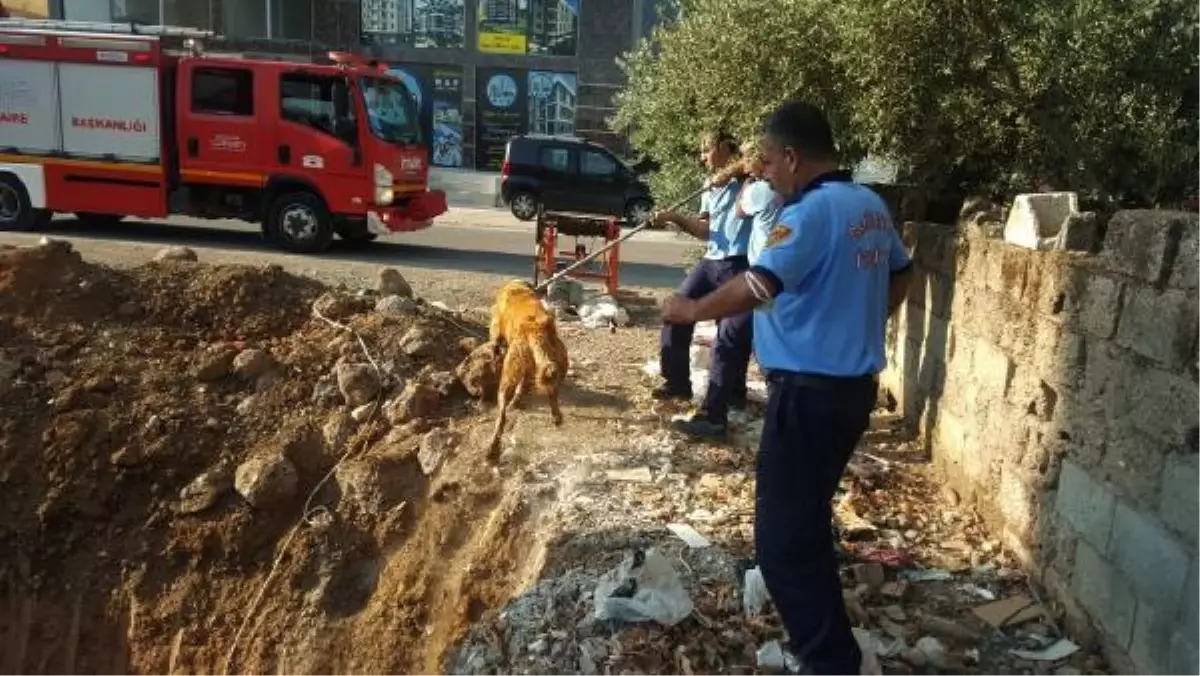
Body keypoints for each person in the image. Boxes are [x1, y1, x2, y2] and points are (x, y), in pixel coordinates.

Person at [661, 100, 914, 676]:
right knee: (806, 522)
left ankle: (830, 662)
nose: (765, 173)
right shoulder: (869, 206)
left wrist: (692, 308)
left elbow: (757, 282)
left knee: (780, 547)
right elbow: (902, 271)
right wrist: (867, 318)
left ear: (793, 157)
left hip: (807, 396)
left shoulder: (805, 216)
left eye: (770, 161)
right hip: (850, 393)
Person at [649, 131, 754, 439]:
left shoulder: (748, 176)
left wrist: (727, 173)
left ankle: (727, 399)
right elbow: (705, 230)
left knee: (730, 335)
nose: (702, 157)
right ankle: (677, 383)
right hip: (712, 261)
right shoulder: (708, 185)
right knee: (676, 310)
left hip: (741, 262)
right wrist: (674, 218)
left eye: (706, 150)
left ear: (724, 147)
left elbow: (754, 160)